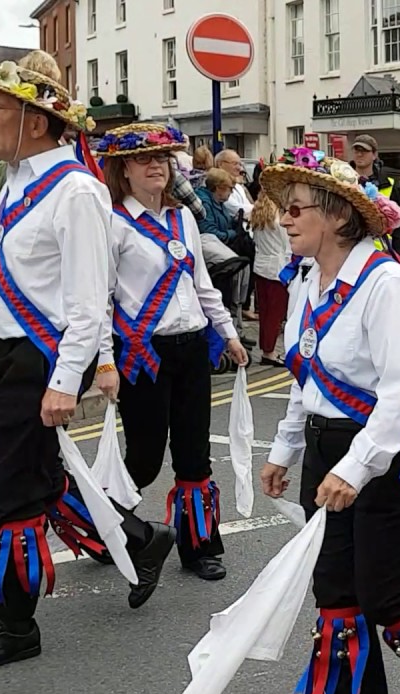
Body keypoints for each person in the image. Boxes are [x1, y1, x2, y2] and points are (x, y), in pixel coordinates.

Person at [258, 148, 400, 694]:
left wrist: (354, 467)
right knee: (333, 583)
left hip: (394, 447)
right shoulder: (306, 280)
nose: (284, 219)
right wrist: (286, 448)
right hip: (328, 443)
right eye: (284, 209)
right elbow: (303, 373)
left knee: (381, 590)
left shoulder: (386, 285)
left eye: (296, 208)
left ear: (336, 216)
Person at [0, 56, 176, 668]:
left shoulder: (76, 190)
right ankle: (138, 540)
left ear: (37, 120)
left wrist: (67, 380)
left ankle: (16, 626)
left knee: (15, 494)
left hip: (36, 359)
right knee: (31, 476)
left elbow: (87, 301)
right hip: (1, 351)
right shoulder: (14, 179)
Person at [93, 123, 249, 582]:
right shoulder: (113, 222)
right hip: (143, 352)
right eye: (144, 159)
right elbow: (100, 298)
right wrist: (105, 360)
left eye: (161, 158)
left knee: (193, 449)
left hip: (191, 345)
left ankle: (199, 547)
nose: (156, 166)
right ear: (124, 170)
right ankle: (109, 527)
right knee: (143, 455)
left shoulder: (183, 218)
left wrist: (229, 333)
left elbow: (201, 284)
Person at [250, 189, 293, 365]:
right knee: (276, 314)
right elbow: (287, 245)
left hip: (260, 266)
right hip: (278, 268)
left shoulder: (258, 214)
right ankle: (270, 352)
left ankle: (266, 348)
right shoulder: (278, 218)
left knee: (265, 313)